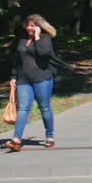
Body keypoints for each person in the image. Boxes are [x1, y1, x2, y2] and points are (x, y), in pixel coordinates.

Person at [6, 14, 66, 152]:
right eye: (27, 25)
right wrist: (14, 76)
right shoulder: (22, 40)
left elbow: (43, 53)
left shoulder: (45, 39)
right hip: (24, 80)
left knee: (44, 108)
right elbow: (17, 60)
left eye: (32, 25)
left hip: (42, 79)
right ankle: (16, 139)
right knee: (23, 109)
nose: (29, 28)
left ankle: (49, 136)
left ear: (39, 26)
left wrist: (38, 37)